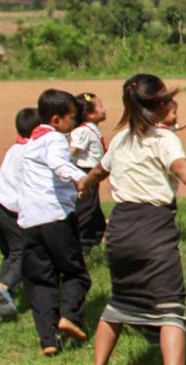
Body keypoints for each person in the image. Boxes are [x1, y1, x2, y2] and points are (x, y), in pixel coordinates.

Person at [79, 74, 186, 365]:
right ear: (160, 104)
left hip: (119, 229)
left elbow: (99, 172)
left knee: (119, 302)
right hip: (153, 229)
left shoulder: (120, 140)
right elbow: (181, 168)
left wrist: (84, 184)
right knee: (171, 310)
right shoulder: (164, 139)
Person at [16, 89, 91, 356]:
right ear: (57, 120)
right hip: (56, 217)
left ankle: (48, 339)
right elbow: (59, 164)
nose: (74, 123)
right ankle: (70, 315)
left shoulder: (30, 143)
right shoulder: (55, 139)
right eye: (72, 118)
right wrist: (81, 178)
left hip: (29, 221)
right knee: (75, 273)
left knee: (41, 280)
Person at [0, 107, 40, 321]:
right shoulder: (31, 152)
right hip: (11, 211)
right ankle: (3, 286)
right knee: (24, 253)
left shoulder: (14, 148)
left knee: (9, 254)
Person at [69, 93, 109, 253]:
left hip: (92, 173)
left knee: (94, 211)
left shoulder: (91, 129)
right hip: (84, 173)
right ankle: (76, 245)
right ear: (89, 114)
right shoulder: (83, 131)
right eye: (100, 106)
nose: (104, 109)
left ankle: (93, 238)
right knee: (86, 208)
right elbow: (71, 151)